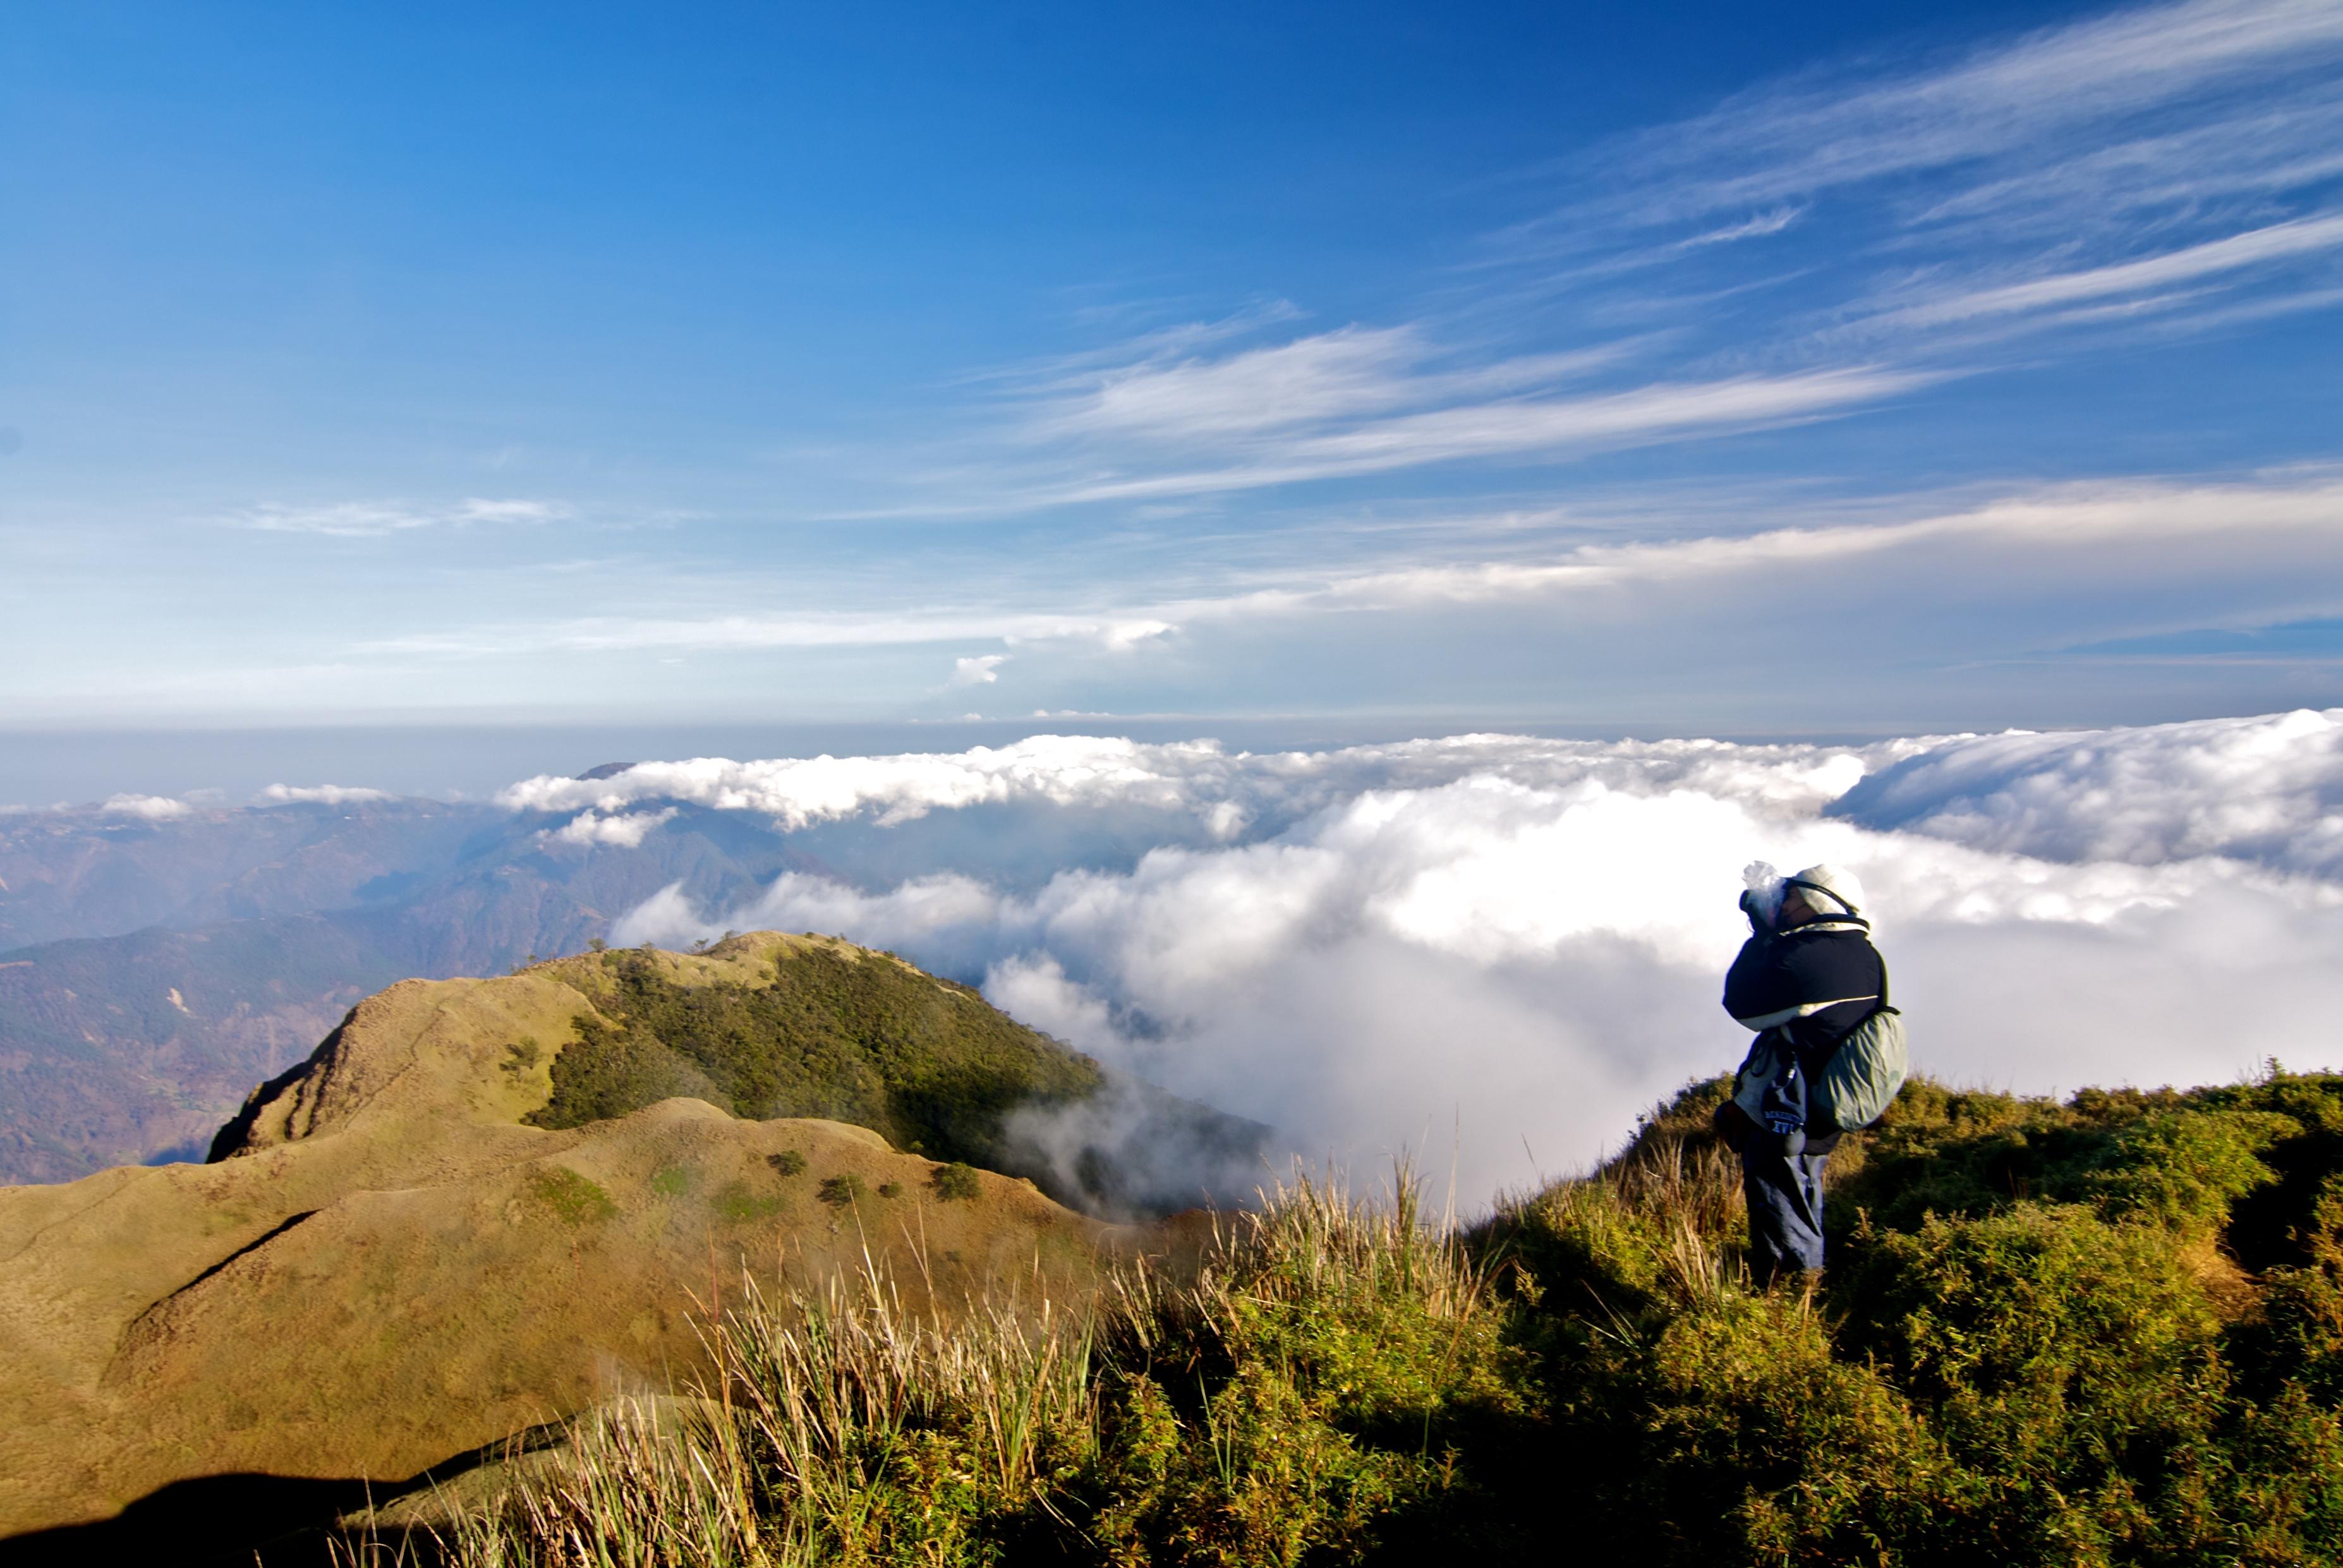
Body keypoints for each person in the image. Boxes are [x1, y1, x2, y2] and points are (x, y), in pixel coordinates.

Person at [1717, 864, 1884, 1278]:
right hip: (1826, 1098)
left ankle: (1791, 1294)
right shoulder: (1863, 953)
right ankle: (1802, 1274)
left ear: (1816, 902)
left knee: (1780, 1198)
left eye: (1791, 897)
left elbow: (1742, 1003)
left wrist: (1761, 935)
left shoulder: (1810, 958)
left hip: (1791, 1108)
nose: (1784, 905)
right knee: (1804, 1190)